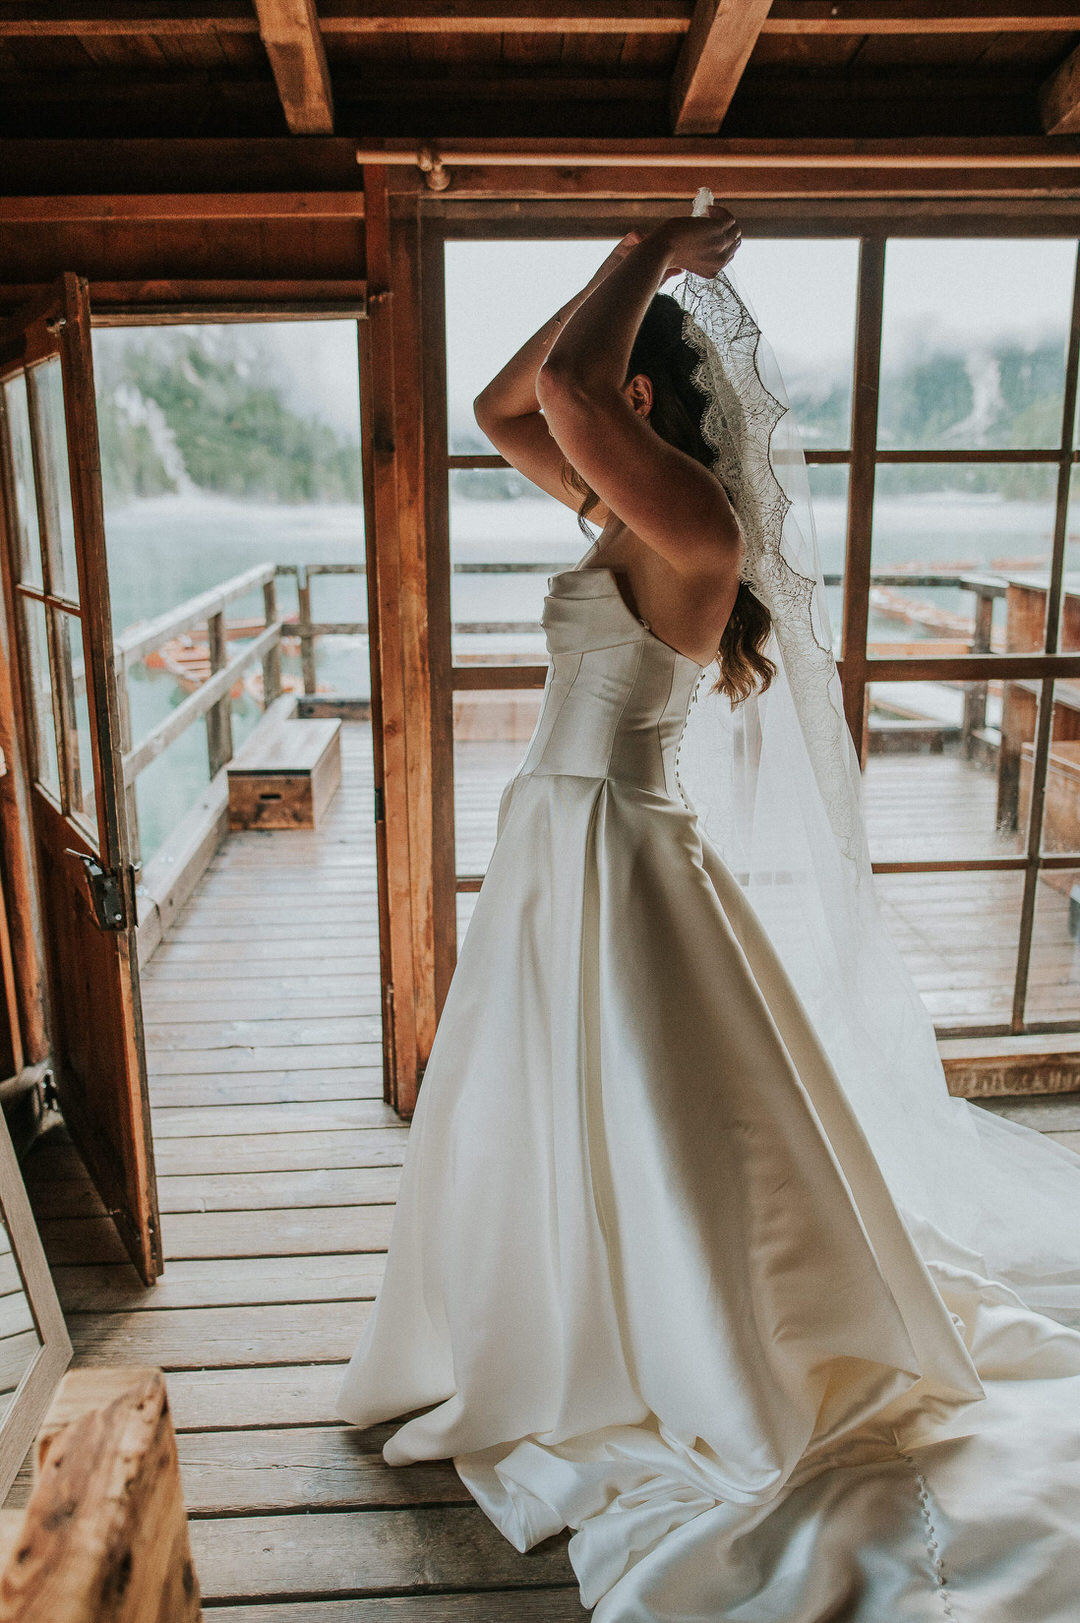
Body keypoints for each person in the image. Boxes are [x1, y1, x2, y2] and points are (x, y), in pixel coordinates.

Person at [339, 206, 1080, 1621]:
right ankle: (565, 1313)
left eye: (617, 381)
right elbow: (512, 401)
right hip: (557, 842)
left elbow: (555, 395)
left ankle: (693, 1351)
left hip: (620, 845)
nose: (592, 392)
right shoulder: (618, 508)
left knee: (665, 1121)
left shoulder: (699, 523)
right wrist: (621, 281)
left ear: (647, 404)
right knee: (548, 1103)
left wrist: (656, 248)